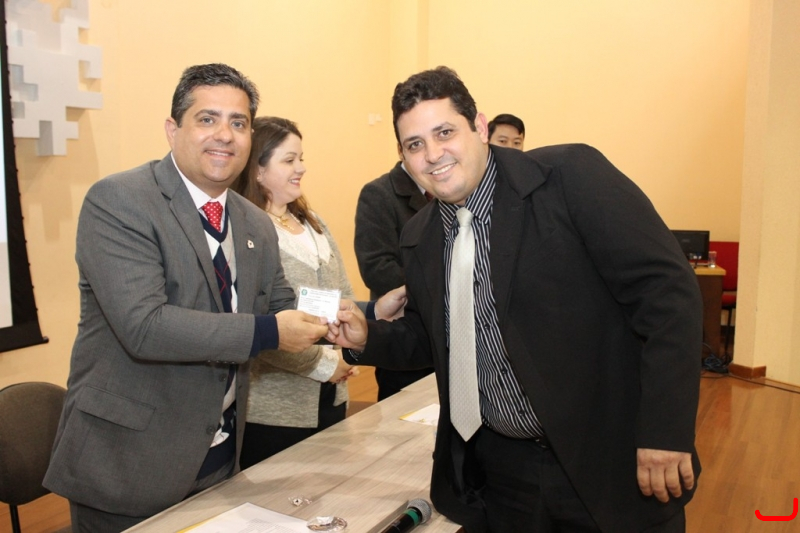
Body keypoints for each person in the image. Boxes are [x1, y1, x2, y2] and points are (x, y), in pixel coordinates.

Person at [329, 67, 702, 533]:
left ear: (479, 127)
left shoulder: (569, 177)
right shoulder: (420, 237)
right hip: (504, 477)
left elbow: (668, 295)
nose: (433, 154)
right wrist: (368, 337)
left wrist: (665, 430)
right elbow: (435, 339)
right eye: (415, 144)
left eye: (444, 133)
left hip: (609, 459)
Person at [42, 64, 332, 532]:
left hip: (219, 457)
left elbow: (281, 304)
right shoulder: (119, 201)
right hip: (130, 464)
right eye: (207, 119)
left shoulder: (254, 222)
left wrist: (358, 315)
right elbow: (145, 327)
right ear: (172, 129)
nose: (225, 135)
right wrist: (268, 331)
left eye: (238, 123)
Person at [234, 117, 357, 467]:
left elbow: (343, 295)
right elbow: (259, 325)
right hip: (275, 410)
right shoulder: (247, 231)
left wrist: (347, 353)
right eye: (289, 160)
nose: (301, 168)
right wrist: (324, 365)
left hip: (332, 392)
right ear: (258, 170)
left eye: (300, 158)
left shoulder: (313, 222)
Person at [354, 161, 434, 400]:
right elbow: (377, 267)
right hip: (404, 327)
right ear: (401, 150)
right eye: (416, 145)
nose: (430, 155)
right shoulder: (379, 193)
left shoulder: (450, 186)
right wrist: (439, 289)